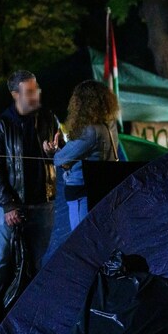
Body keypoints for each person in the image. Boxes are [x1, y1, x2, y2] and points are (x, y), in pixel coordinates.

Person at [0, 69, 61, 327]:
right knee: (1, 260)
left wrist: (55, 152)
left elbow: (61, 154)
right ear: (15, 94)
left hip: (43, 202)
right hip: (12, 205)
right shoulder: (2, 125)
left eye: (36, 89)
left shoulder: (49, 118)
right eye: (29, 91)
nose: (35, 95)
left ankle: (27, 316)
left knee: (36, 260)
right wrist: (8, 205)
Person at [53, 80, 120, 230]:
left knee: (81, 240)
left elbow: (59, 159)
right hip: (103, 188)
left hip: (82, 192)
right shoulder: (110, 126)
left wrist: (54, 150)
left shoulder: (90, 131)